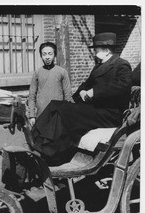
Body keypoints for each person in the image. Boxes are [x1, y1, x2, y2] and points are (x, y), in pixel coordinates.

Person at [31, 32, 132, 165]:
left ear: (107, 51)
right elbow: (85, 84)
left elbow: (122, 86)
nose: (95, 52)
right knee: (56, 105)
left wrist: (94, 92)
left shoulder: (121, 65)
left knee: (65, 112)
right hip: (96, 109)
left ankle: (50, 151)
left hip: (110, 113)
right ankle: (36, 138)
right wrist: (79, 94)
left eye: (96, 50)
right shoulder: (99, 66)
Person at [28, 42, 73, 127]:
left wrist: (69, 114)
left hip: (58, 113)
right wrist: (32, 116)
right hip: (41, 113)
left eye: (50, 54)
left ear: (54, 55)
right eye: (44, 54)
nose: (47, 57)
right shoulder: (37, 73)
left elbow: (68, 95)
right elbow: (31, 96)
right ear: (41, 56)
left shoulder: (62, 72)